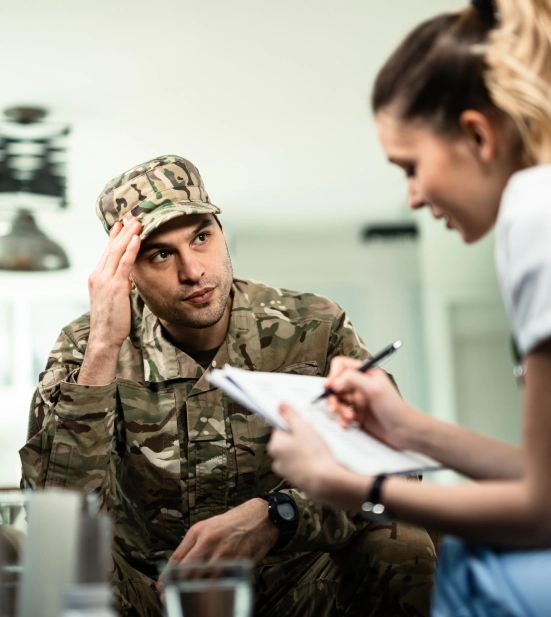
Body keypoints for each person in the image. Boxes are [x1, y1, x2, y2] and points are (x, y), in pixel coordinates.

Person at [19, 155, 435, 617]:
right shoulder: (86, 346)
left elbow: (397, 469)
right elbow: (57, 524)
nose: (194, 270)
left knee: (402, 544)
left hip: (295, 588)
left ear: (220, 230)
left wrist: (279, 515)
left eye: (201, 236)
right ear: (127, 274)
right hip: (148, 595)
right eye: (160, 253)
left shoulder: (314, 328)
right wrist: (102, 349)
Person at [267, 0, 551, 615]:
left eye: (411, 167)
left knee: (478, 564)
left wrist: (340, 484)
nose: (414, 197)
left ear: (477, 134)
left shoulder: (537, 209)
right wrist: (406, 428)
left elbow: (540, 510)